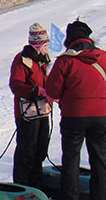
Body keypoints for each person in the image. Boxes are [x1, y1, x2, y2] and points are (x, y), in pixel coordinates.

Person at [46, 20, 106, 200]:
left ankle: (70, 197)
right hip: (101, 115)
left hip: (74, 116)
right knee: (100, 160)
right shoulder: (103, 57)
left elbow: (53, 91)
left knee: (71, 160)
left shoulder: (65, 61)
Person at [9, 23, 53, 189]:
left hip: (42, 111)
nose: (47, 49)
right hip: (27, 113)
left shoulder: (43, 61)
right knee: (27, 150)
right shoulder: (22, 60)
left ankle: (36, 184)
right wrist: (36, 90)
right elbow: (16, 85)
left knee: (40, 149)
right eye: (45, 45)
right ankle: (22, 185)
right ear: (37, 45)